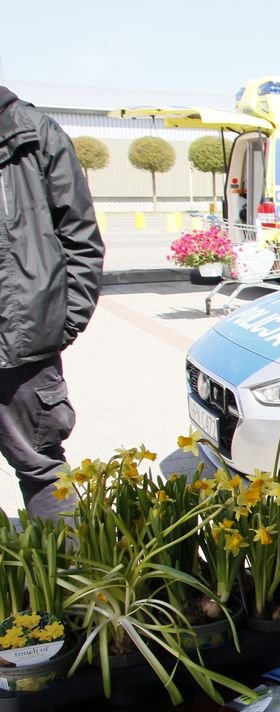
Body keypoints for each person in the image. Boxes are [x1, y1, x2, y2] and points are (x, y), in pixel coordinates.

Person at [0, 86, 104, 520]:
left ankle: (65, 562)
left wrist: (61, 324)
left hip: (21, 347)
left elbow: (80, 238)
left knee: (40, 467)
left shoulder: (31, 132)